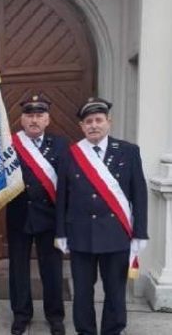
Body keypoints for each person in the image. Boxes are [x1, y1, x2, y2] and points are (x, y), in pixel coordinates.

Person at [55, 98, 148, 335]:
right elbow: (62, 198)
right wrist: (61, 232)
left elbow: (139, 194)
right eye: (88, 122)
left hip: (116, 235)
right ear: (81, 126)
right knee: (83, 292)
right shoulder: (71, 155)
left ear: (109, 122)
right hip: (80, 235)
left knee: (115, 291)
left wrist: (140, 233)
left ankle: (112, 331)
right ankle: (85, 331)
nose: (93, 125)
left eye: (98, 120)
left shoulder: (128, 151)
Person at [7, 95, 67, 335]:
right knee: (18, 269)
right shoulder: (10, 145)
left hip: (49, 217)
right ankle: (21, 315)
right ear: (22, 119)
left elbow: (65, 182)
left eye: (39, 115)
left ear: (47, 119)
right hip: (19, 215)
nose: (34, 120)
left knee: (52, 270)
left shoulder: (61, 145)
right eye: (29, 115)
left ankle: (55, 316)